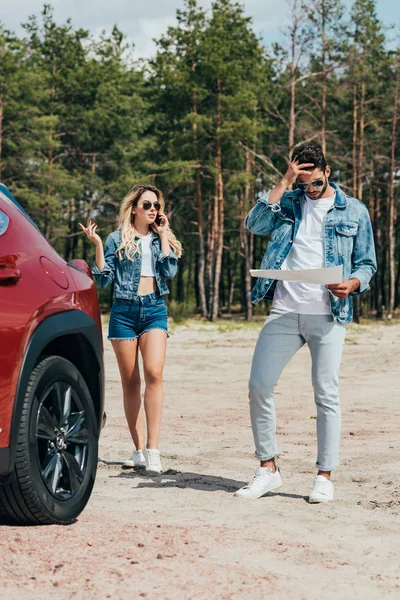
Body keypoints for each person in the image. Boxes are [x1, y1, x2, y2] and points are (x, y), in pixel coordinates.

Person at [235, 143, 376, 503]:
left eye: (313, 182)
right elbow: (255, 223)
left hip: (329, 314)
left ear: (327, 172)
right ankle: (268, 469)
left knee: (326, 393)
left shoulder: (354, 211)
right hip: (284, 310)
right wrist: (285, 182)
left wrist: (353, 283)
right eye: (303, 183)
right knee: (258, 385)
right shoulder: (289, 201)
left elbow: (367, 264)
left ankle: (324, 476)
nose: (308, 190)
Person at [79, 184, 182, 475]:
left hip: (154, 310)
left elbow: (170, 271)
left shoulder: (161, 238)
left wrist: (163, 236)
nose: (153, 210)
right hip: (124, 312)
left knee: (154, 373)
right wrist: (98, 244)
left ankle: (153, 450)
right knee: (131, 382)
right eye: (147, 205)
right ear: (134, 208)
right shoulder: (115, 239)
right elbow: (103, 281)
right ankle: (138, 450)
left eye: (157, 206)